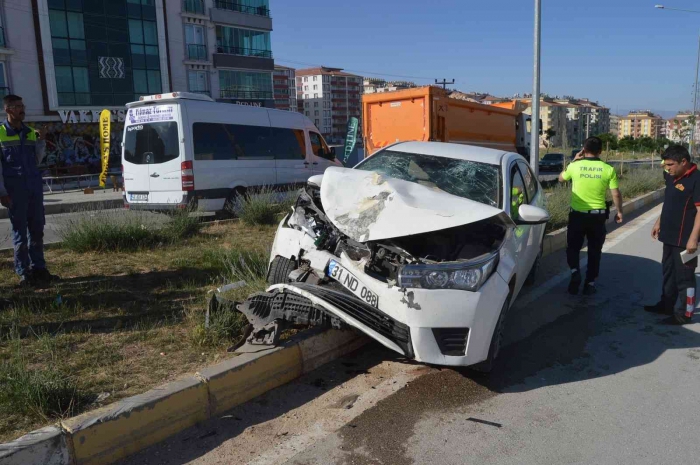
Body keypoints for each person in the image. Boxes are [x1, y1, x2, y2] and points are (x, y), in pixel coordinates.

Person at [0, 94, 58, 287]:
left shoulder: (31, 132)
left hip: (34, 188)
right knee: (20, 233)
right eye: (16, 106)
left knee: (37, 230)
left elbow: (37, 161)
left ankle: (39, 269)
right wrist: (2, 192)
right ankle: (24, 273)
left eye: (22, 105)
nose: (21, 109)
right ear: (7, 110)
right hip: (15, 191)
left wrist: (41, 141)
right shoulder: (0, 133)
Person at [559, 136, 623, 295]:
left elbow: (561, 179)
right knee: (595, 250)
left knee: (573, 248)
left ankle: (575, 272)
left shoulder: (575, 166)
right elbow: (616, 194)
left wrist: (574, 160)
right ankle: (590, 283)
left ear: (584, 150)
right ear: (600, 151)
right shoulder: (608, 169)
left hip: (577, 216)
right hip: (598, 217)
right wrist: (619, 211)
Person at [644, 145, 700, 325]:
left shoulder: (696, 180)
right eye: (665, 164)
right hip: (669, 234)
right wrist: (659, 222)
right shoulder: (672, 176)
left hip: (686, 238)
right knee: (668, 272)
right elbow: (669, 201)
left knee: (685, 277)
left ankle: (686, 313)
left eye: (670, 164)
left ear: (684, 162)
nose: (667, 168)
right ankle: (666, 305)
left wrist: (693, 239)